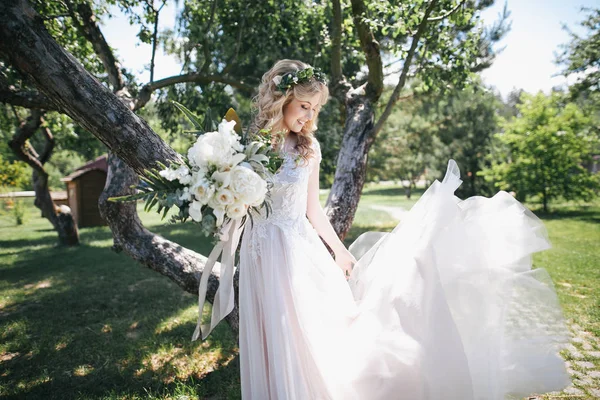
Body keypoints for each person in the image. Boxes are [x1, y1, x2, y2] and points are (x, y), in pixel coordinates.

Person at [236, 59, 571, 399]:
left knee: (306, 329)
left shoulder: (309, 149)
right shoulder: (251, 147)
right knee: (269, 329)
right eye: (304, 106)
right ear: (282, 98)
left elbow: (313, 211)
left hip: (296, 248)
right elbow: (242, 203)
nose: (309, 116)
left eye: (316, 109)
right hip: (259, 249)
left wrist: (339, 251)